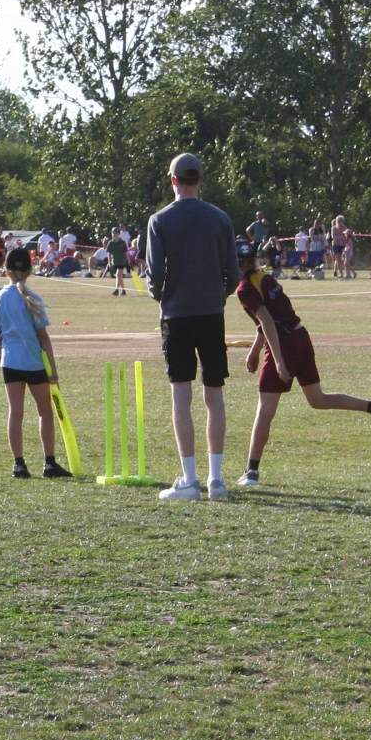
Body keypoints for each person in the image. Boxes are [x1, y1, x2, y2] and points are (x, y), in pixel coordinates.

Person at [233, 241, 371, 486]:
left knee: (265, 409)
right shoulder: (263, 277)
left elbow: (267, 322)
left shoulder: (245, 288)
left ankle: (251, 471)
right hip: (300, 336)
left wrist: (278, 361)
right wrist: (254, 351)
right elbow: (268, 320)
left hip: (285, 344)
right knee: (317, 399)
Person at [145, 152, 241, 502]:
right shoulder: (220, 218)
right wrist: (217, 296)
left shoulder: (159, 220)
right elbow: (233, 274)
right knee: (214, 395)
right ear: (200, 179)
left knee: (181, 395)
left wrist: (161, 296)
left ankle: (189, 479)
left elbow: (155, 274)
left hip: (176, 315)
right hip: (212, 314)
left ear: (173, 180)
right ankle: (216, 479)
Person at [0, 246, 71, 479]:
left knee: (15, 412)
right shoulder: (34, 299)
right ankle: (49, 462)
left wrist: (3, 361)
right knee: (44, 411)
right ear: (30, 270)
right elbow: (43, 338)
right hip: (34, 363)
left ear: (6, 270)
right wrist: (53, 371)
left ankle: (19, 464)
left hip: (10, 362)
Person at [106, 226, 131, 296]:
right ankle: (123, 291)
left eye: (116, 233)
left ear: (119, 234)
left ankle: (116, 290)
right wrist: (109, 262)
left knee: (118, 274)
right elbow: (109, 254)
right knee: (119, 276)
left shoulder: (122, 242)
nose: (114, 234)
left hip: (122, 261)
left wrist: (128, 260)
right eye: (113, 233)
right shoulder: (110, 243)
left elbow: (126, 252)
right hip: (115, 262)